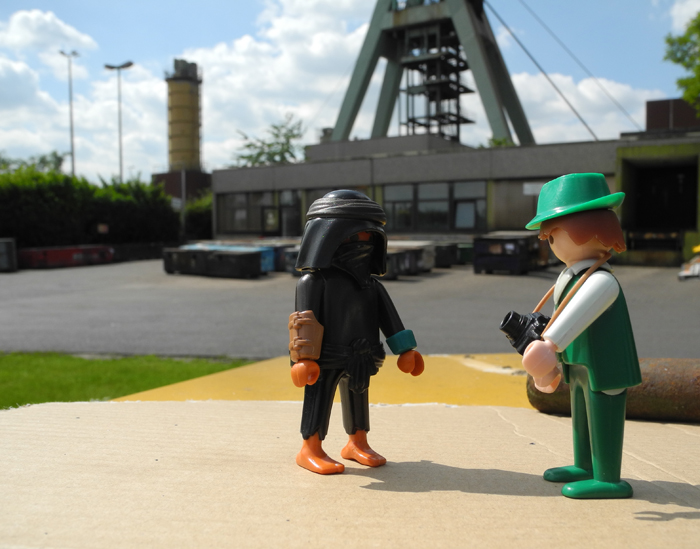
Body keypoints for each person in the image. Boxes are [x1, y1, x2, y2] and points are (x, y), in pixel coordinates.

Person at [521, 173, 642, 499]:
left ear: (586, 229)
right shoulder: (572, 275)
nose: (550, 244)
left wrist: (550, 345)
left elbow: (577, 314)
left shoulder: (601, 280)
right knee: (580, 410)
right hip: (578, 360)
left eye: (553, 235)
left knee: (602, 410)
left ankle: (608, 478)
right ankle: (585, 465)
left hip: (604, 364)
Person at [289, 190, 424, 475]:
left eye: (368, 236)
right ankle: (309, 448)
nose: (363, 242)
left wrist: (405, 350)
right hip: (325, 356)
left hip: (362, 355)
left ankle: (357, 443)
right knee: (319, 396)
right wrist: (302, 359)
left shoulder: (371, 285)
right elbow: (303, 321)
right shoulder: (313, 282)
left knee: (358, 396)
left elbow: (390, 319)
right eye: (355, 236)